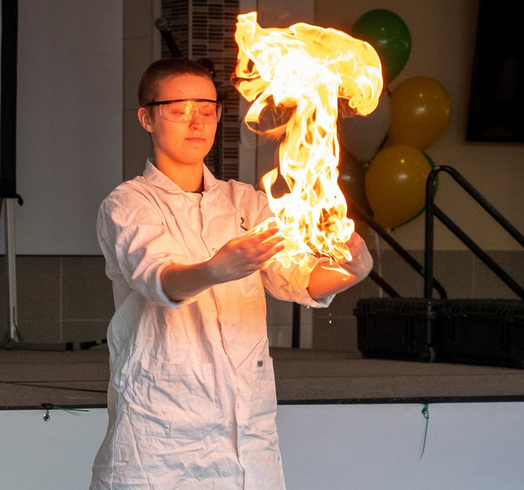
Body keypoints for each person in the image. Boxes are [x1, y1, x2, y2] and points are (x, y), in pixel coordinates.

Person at [90, 57, 373, 489]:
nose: (195, 121)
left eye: (206, 110)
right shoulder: (129, 203)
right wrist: (217, 268)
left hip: (247, 435)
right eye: (179, 110)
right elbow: (159, 279)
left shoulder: (247, 203)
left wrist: (351, 269)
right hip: (160, 436)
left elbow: (298, 279)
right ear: (147, 118)